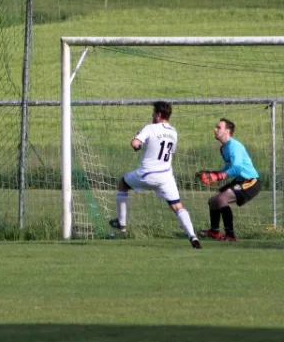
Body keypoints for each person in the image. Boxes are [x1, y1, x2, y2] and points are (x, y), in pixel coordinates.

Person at [109, 101, 201, 249]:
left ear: (158, 114)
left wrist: (138, 143)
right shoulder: (173, 132)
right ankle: (193, 236)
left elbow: (134, 143)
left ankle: (122, 223)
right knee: (178, 206)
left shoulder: (150, 128)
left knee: (123, 184)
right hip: (165, 177)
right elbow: (170, 151)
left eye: (153, 113)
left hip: (147, 174)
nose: (152, 115)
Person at [197, 118, 260, 241]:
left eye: (218, 127)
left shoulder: (233, 146)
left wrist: (219, 176)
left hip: (251, 181)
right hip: (240, 180)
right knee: (213, 201)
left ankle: (230, 236)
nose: (215, 129)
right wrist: (214, 174)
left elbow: (236, 168)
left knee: (221, 199)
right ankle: (214, 232)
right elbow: (228, 166)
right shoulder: (224, 147)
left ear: (227, 131)